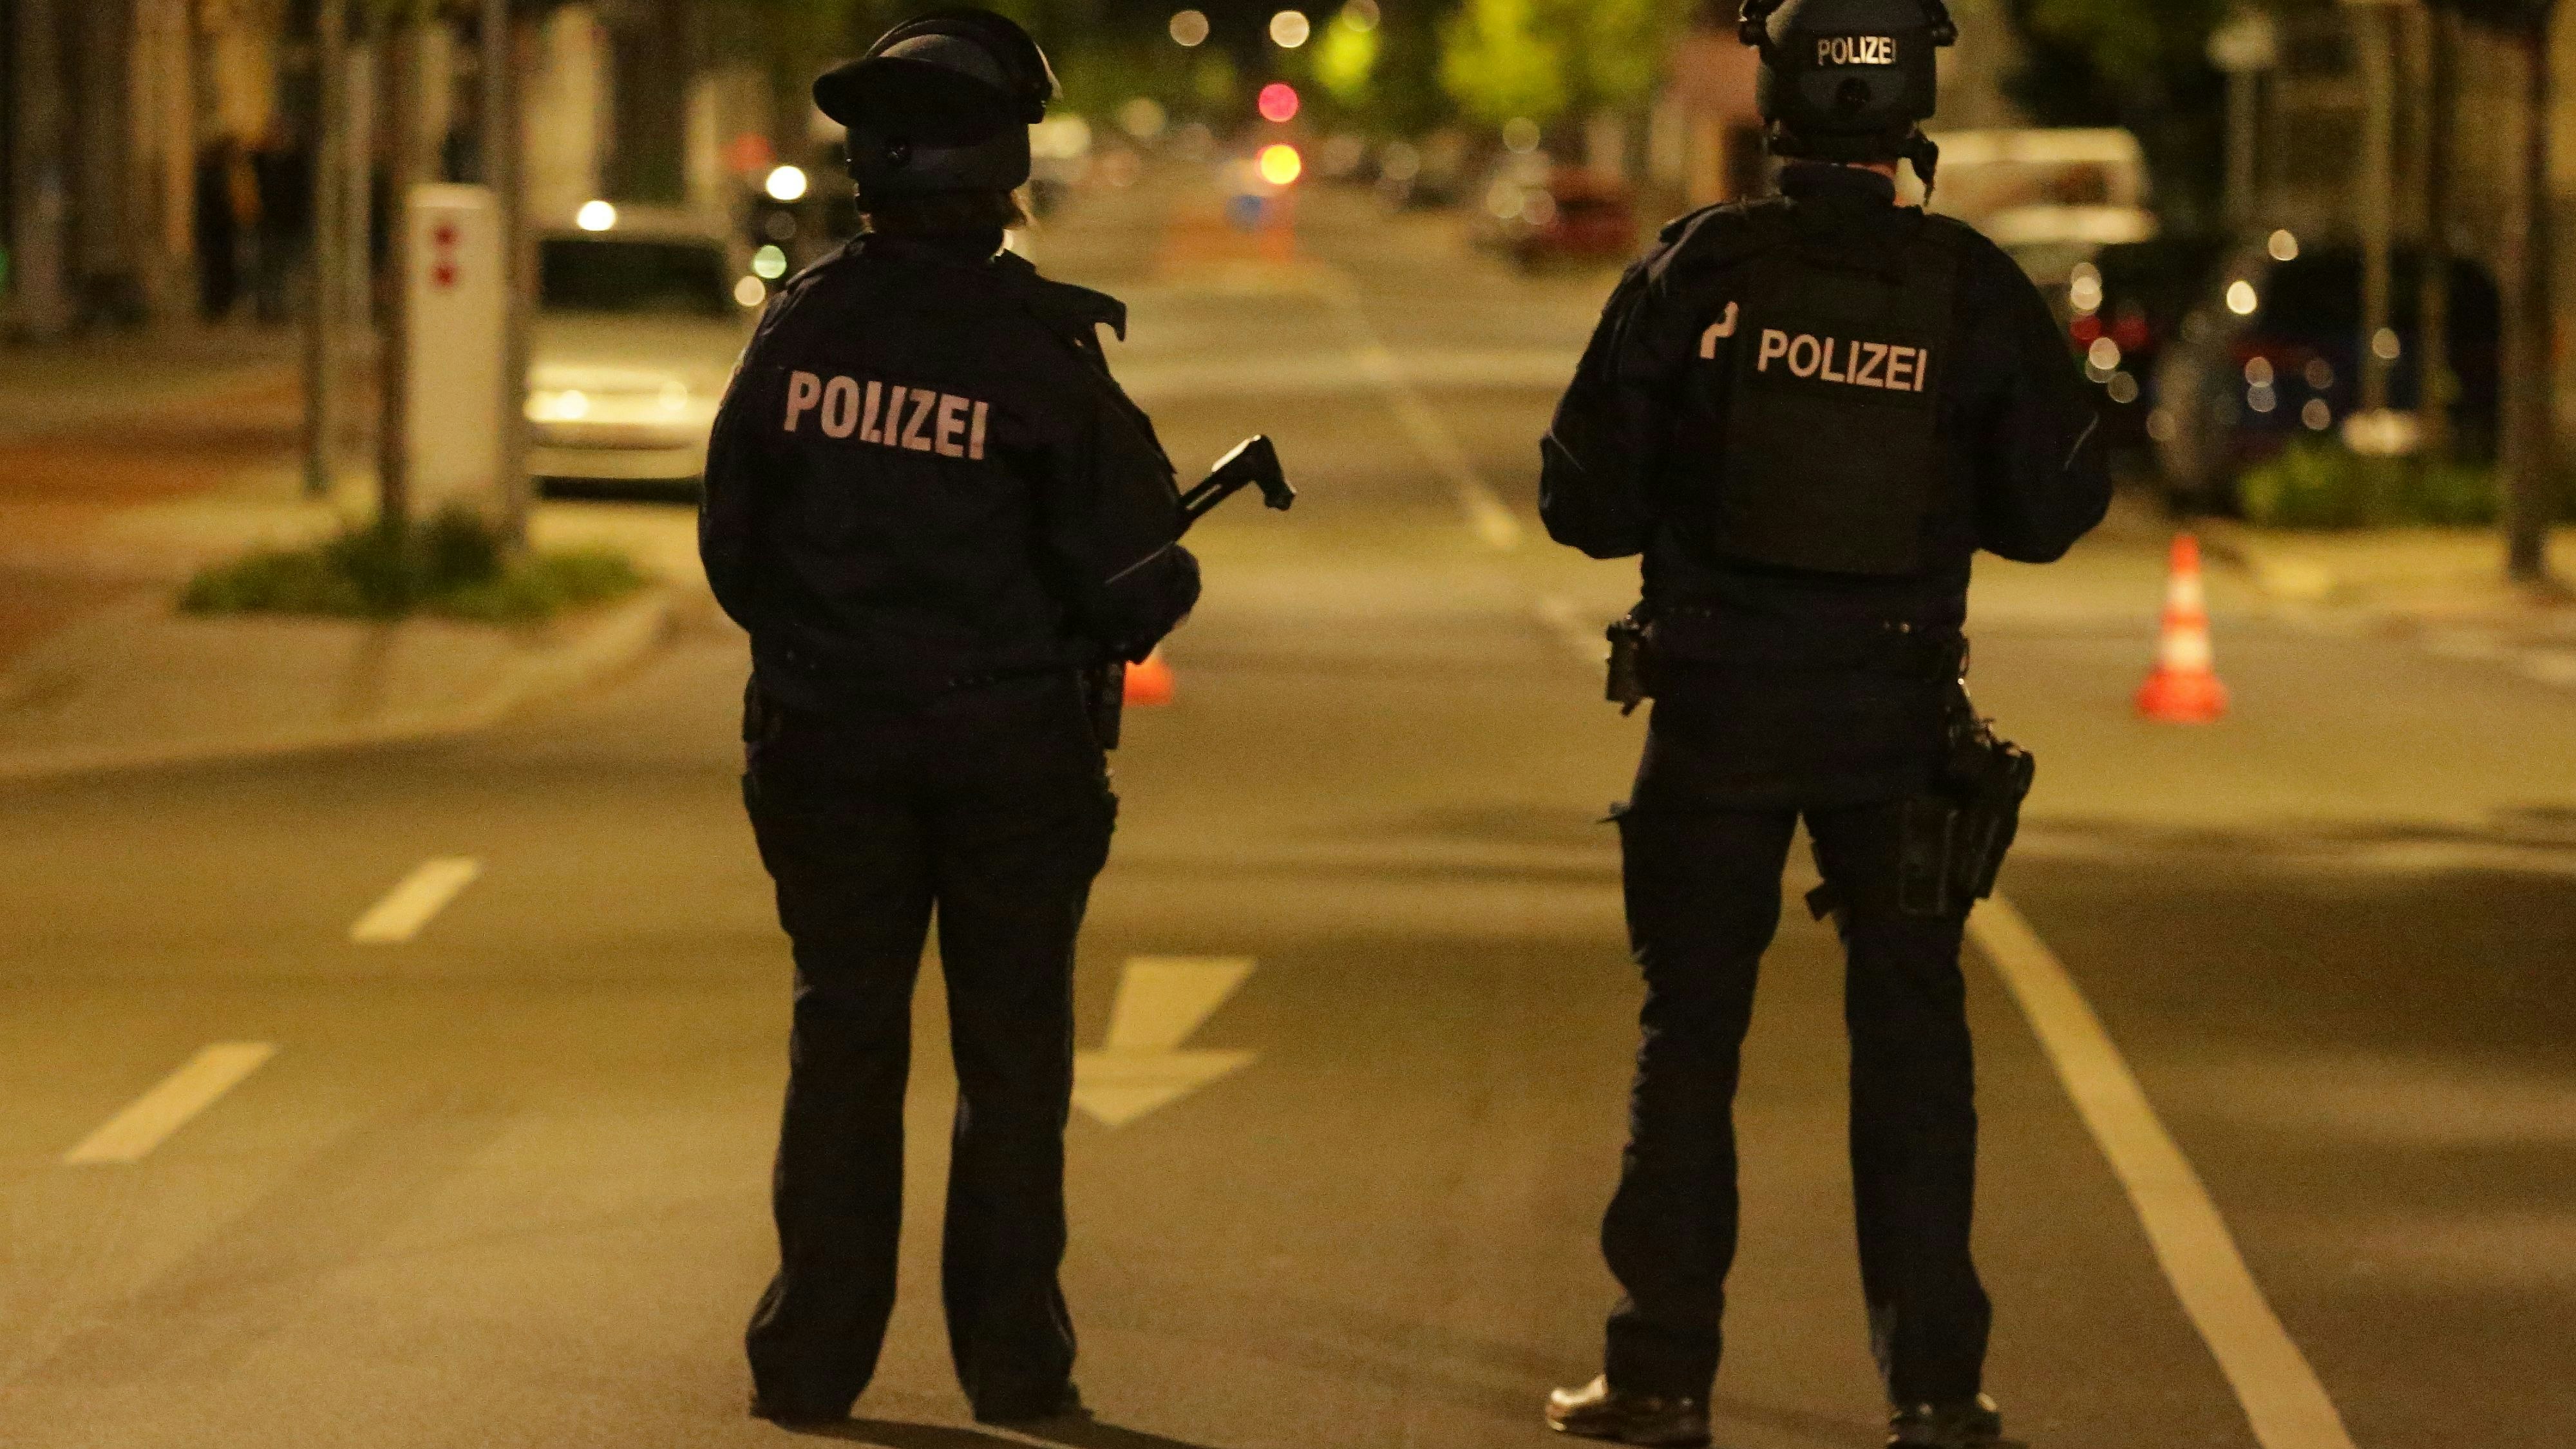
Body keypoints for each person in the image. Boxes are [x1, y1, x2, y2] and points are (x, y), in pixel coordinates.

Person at [1536, 2, 2110, 1446]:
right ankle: (1935, 1391)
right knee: (1912, 1045)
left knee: (1690, 1040)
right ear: (1912, 107)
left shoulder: (1697, 269)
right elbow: (2056, 509)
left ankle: (1658, 1377)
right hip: (1891, 706)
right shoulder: (1966, 288)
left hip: (1716, 708)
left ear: (1778, 102)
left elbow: (1580, 502)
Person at [699, 7, 1201, 1428]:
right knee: (1012, 1059)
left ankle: (809, 1366)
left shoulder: (801, 328)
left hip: (824, 737)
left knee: (841, 1040)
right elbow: (1129, 581)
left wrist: (833, 645)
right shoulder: (1038, 348)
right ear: (1001, 171)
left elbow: (733, 546)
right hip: (1008, 756)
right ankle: (1013, 1370)